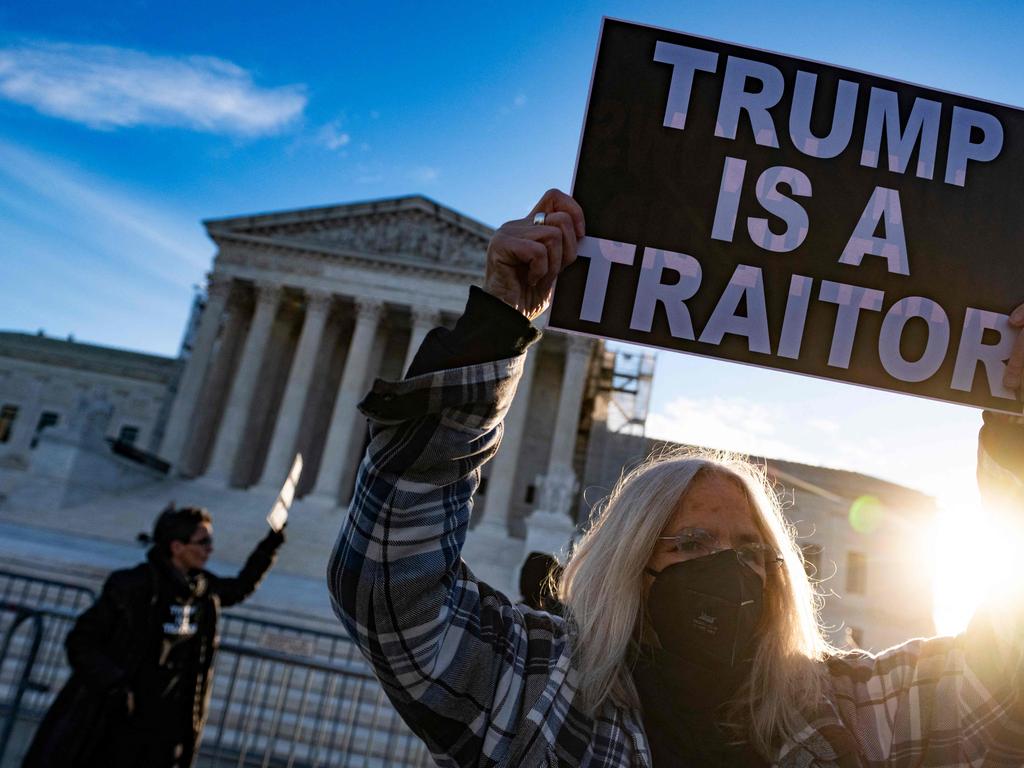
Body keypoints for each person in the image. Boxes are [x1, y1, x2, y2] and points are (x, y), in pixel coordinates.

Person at [328, 189, 1024, 766]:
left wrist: (1016, 440)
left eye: (752, 552)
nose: (728, 569)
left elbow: (1003, 679)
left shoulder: (849, 707)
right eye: (690, 544)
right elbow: (392, 593)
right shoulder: (543, 693)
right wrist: (493, 329)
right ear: (628, 564)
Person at [24, 505, 285, 768]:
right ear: (177, 547)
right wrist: (114, 686)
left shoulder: (202, 592)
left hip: (167, 726)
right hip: (118, 720)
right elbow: (81, 641)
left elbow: (239, 587)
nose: (210, 548)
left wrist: (271, 543)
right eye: (203, 541)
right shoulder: (133, 586)